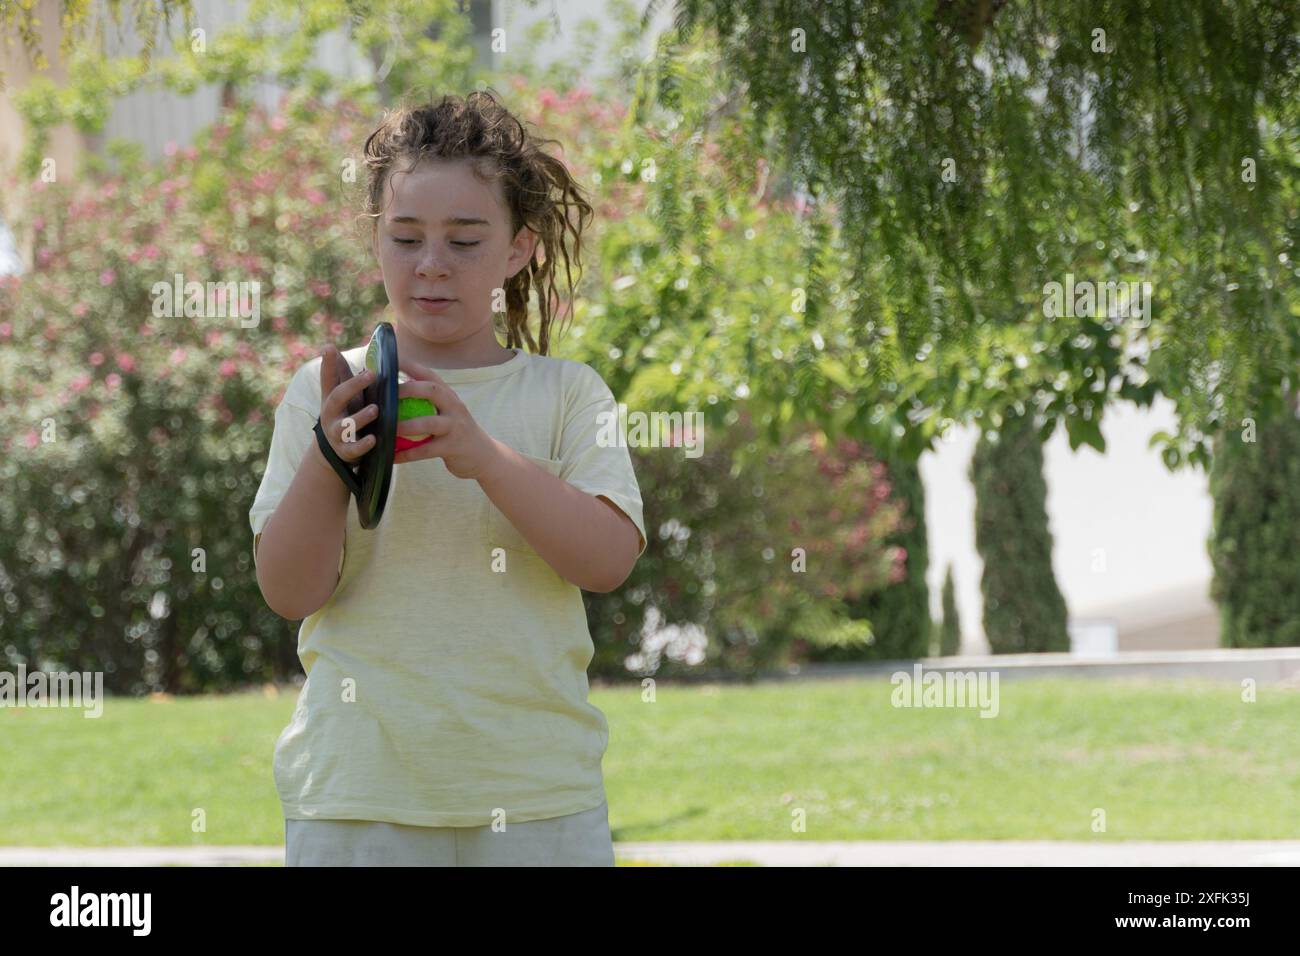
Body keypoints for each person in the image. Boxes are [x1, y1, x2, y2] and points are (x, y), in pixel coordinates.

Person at [248, 90, 647, 866]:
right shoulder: (323, 390)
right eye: (406, 237)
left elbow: (606, 561)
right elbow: (289, 592)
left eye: (466, 240)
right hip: (357, 795)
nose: (432, 264)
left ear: (519, 250)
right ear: (376, 242)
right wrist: (332, 462)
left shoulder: (568, 393)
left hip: (537, 796)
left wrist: (483, 456)